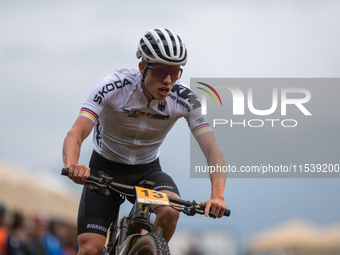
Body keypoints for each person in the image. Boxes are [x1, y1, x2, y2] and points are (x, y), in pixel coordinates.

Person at [63, 28, 227, 255]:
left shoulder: (185, 98)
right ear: (142, 68)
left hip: (147, 171)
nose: (168, 80)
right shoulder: (114, 86)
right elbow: (76, 133)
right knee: (91, 248)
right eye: (160, 71)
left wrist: (217, 195)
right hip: (104, 168)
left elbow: (212, 150)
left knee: (170, 211)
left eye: (175, 72)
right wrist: (73, 165)